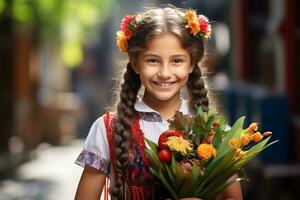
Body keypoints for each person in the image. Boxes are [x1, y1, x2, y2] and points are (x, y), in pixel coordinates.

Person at [75, 5, 243, 200]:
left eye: (177, 60)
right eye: (153, 61)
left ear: (191, 64)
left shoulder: (214, 130)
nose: (164, 72)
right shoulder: (108, 129)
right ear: (136, 63)